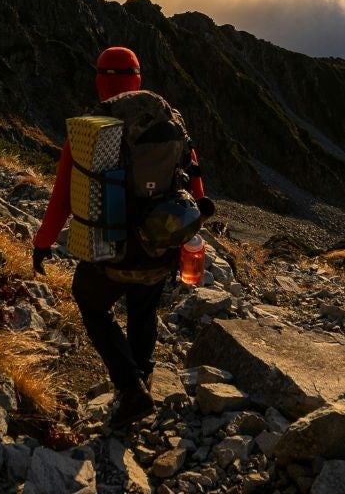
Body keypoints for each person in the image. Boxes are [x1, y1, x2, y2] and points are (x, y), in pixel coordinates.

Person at [32, 46, 214, 426]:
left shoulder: (91, 130)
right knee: (143, 310)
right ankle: (141, 379)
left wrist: (42, 243)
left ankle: (130, 388)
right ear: (138, 78)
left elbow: (62, 197)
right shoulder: (171, 119)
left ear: (100, 79)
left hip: (109, 250)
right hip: (161, 242)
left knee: (92, 303)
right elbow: (192, 174)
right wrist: (197, 211)